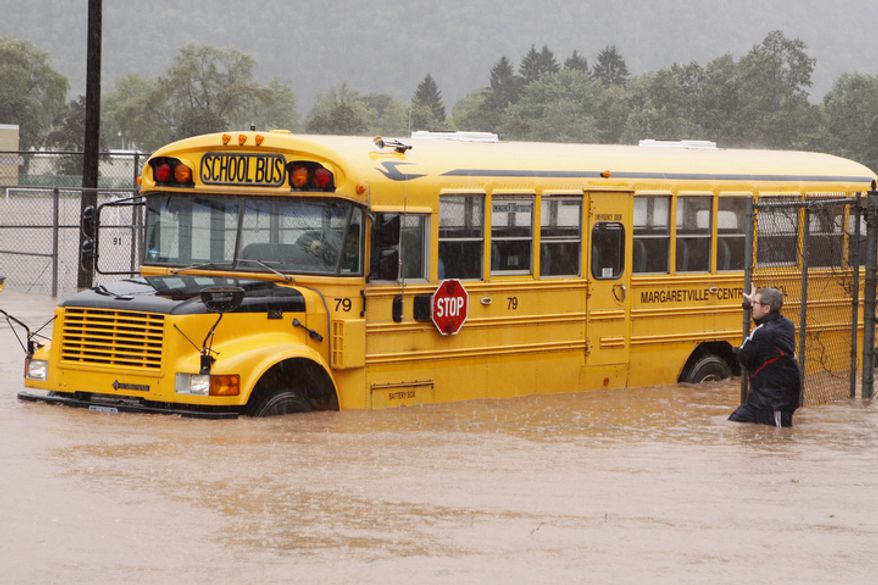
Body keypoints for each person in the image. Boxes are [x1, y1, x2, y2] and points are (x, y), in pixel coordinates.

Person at [729, 286, 801, 428]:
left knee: (779, 439)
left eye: (754, 304)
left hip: (776, 403)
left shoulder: (763, 333)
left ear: (767, 309)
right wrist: (753, 304)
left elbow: (743, 355)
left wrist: (735, 351)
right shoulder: (787, 325)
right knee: (734, 425)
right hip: (758, 400)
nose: (751, 307)